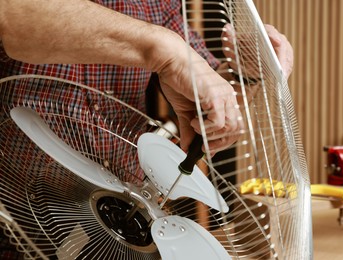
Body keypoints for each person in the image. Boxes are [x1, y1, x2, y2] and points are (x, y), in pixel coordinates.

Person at [0, 0, 293, 258]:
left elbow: (197, 75)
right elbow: (12, 16)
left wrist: (245, 74)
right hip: (12, 217)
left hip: (122, 228)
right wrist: (162, 49)